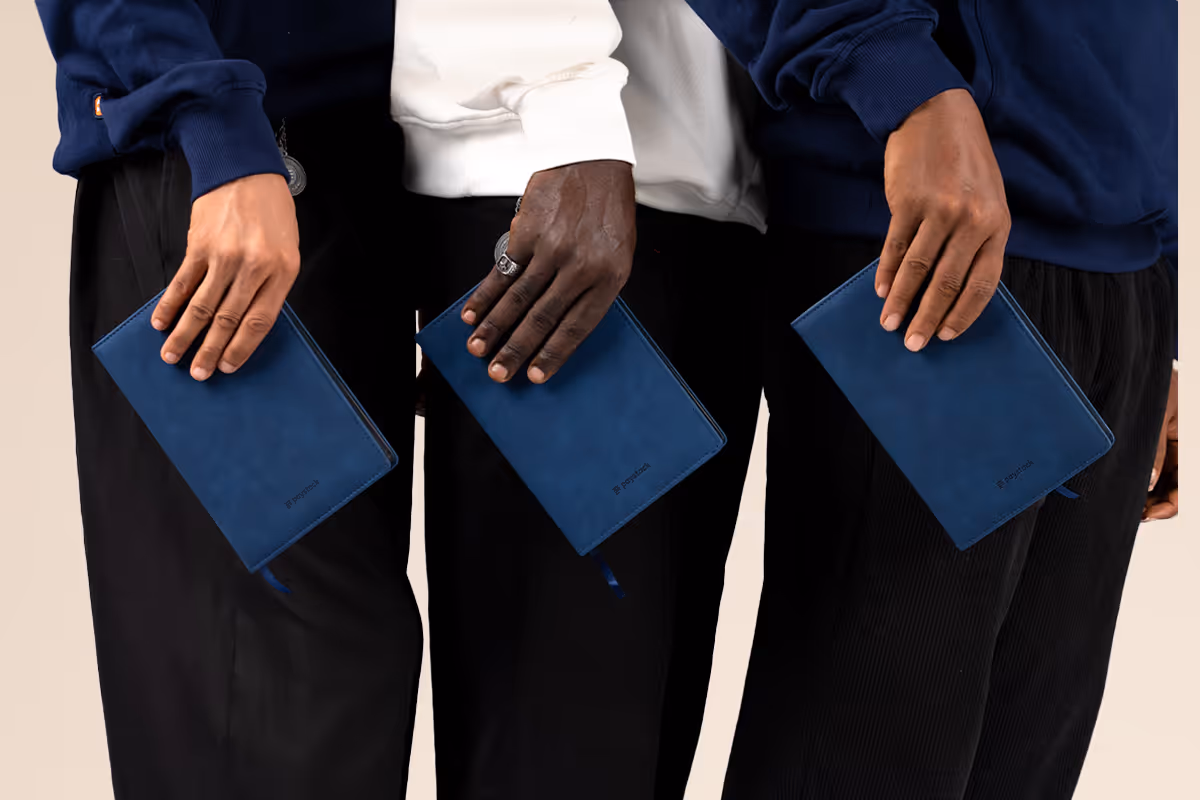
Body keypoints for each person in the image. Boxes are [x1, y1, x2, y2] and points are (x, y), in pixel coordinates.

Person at [677, 1, 1179, 798]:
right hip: (919, 242)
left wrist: (1165, 290)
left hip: (1122, 261)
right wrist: (903, 83)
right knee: (861, 759)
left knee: (1022, 768)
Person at [36, 1, 424, 796]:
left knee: (334, 684)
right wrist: (206, 115)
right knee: (289, 685)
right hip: (229, 166)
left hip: (369, 156)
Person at [391, 0, 767, 797]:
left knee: (637, 742)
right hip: (557, 185)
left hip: (703, 195)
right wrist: (567, 116)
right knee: (561, 748)